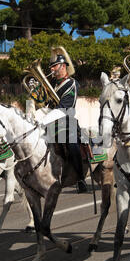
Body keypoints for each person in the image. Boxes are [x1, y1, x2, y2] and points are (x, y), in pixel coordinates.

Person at [48, 47, 88, 193]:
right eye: (51, 67)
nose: (52, 69)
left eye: (54, 66)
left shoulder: (72, 83)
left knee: (72, 144)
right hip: (51, 122)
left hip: (67, 121)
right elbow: (46, 103)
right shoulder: (52, 84)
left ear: (63, 66)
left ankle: (80, 177)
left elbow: (66, 107)